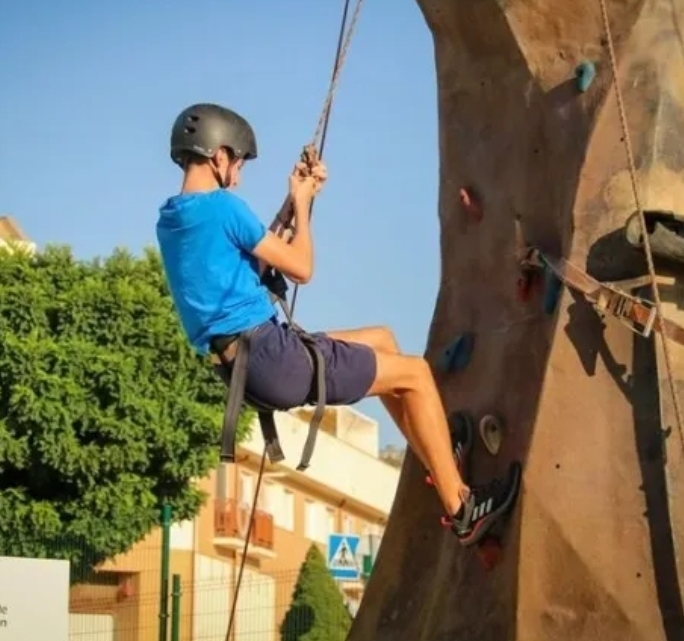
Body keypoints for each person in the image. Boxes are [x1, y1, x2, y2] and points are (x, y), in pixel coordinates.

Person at [155, 102, 521, 546]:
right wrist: (302, 205)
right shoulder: (223, 207)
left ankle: (438, 459)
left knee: (382, 339)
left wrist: (295, 199)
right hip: (273, 357)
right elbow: (300, 268)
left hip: (245, 366)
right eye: (239, 162)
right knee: (415, 374)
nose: (239, 174)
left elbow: (254, 259)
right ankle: (462, 508)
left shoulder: (173, 220)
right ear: (218, 156)